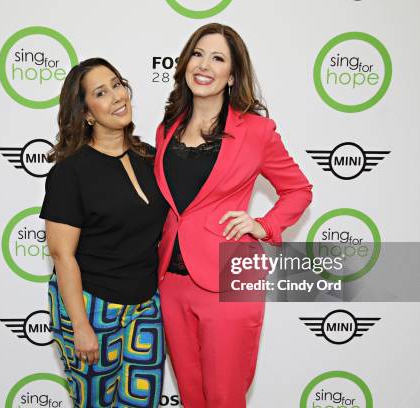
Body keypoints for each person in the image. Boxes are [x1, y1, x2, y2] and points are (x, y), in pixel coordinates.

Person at [154, 23, 313, 407]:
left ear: (232, 74)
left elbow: (299, 190)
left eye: (218, 58)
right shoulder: (167, 128)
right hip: (171, 281)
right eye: (197, 53)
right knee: (191, 394)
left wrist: (263, 224)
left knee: (225, 395)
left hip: (229, 277)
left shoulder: (257, 131)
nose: (204, 65)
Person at [41, 58, 168, 408]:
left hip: (145, 307)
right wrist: (81, 327)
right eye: (101, 92)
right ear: (86, 113)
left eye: (117, 84)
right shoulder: (71, 172)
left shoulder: (151, 159)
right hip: (91, 306)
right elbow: (61, 254)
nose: (117, 96)